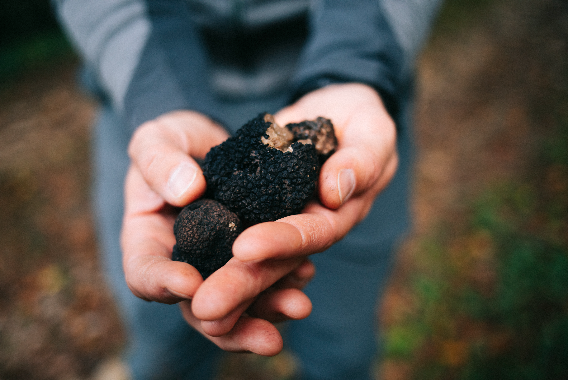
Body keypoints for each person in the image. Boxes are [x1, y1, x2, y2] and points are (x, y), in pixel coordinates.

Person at [53, 1, 441, 379]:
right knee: (162, 349)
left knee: (343, 350)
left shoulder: (298, 150)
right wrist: (161, 95)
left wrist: (356, 65)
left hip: (344, 80)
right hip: (150, 99)